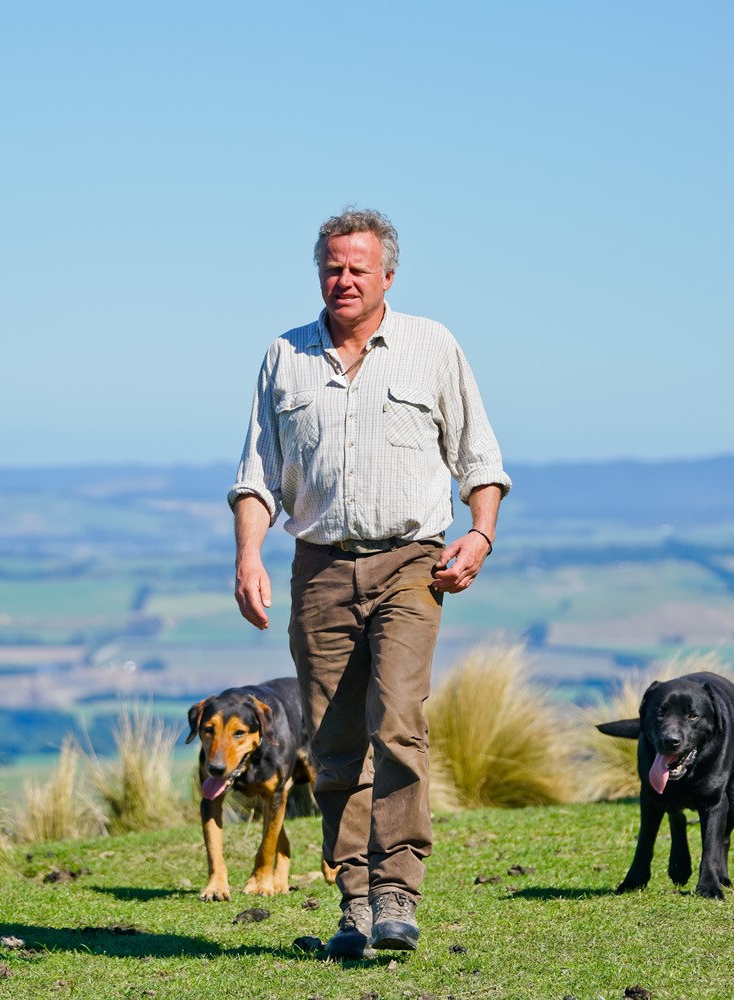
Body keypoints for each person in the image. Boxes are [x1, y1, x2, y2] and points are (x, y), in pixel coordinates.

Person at [228, 208, 511, 958]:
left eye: (357, 267)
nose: (343, 278)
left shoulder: (432, 346)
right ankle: (353, 900)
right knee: (334, 739)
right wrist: (248, 557)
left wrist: (479, 534)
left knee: (397, 720)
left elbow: (481, 460)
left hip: (412, 563)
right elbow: (256, 478)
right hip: (318, 569)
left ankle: (398, 890)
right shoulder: (283, 357)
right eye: (331, 265)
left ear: (388, 273)